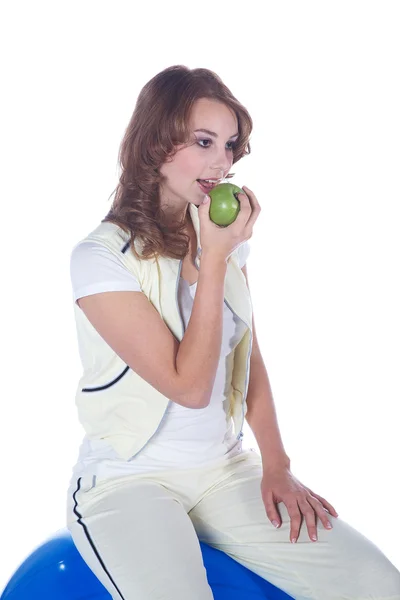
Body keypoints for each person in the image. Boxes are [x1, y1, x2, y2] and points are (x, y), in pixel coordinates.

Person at [66, 65, 400, 600]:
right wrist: (212, 261)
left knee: (376, 584)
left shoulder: (222, 240)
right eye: (203, 142)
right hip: (129, 481)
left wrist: (278, 465)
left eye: (229, 145)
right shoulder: (100, 259)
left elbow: (246, 357)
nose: (222, 162)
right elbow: (190, 386)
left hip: (223, 471)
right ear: (155, 144)